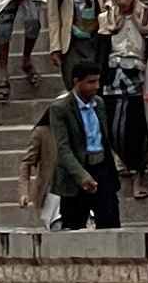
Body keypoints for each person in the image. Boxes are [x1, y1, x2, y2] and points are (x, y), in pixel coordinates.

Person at [40, 60, 123, 229]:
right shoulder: (60, 108)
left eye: (97, 81)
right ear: (77, 82)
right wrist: (82, 176)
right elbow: (63, 148)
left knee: (111, 224)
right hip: (76, 174)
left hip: (102, 170)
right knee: (74, 227)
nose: (96, 86)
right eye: (91, 82)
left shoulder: (99, 103)